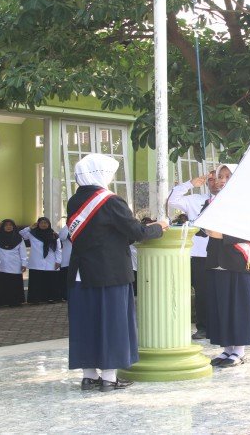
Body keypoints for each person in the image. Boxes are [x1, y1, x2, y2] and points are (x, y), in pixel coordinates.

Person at [66, 153, 167, 392]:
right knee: (112, 323)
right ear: (100, 174)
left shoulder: (73, 201)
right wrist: (159, 228)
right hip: (109, 273)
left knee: (86, 323)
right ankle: (110, 378)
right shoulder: (111, 201)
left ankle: (89, 376)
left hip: (81, 273)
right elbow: (136, 232)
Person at [205, 164, 250, 368]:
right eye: (220, 176)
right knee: (222, 306)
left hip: (237, 260)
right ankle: (227, 349)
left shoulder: (246, 201)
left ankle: (239, 351)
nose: (222, 179)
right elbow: (205, 227)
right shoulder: (213, 200)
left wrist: (223, 235)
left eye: (228, 176)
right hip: (216, 260)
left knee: (239, 307)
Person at [168, 170, 219, 340]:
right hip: (200, 254)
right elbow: (171, 200)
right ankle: (203, 327)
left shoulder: (231, 200)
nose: (214, 182)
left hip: (224, 253)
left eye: (218, 178)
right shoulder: (196, 200)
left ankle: (223, 325)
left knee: (223, 291)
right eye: (210, 180)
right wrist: (190, 184)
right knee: (202, 293)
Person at [20, 217, 62, 304]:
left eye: (45, 223)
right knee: (36, 281)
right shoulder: (32, 234)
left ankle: (51, 298)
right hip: (36, 262)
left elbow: (58, 249)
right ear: (38, 224)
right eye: (41, 223)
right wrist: (30, 227)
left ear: (49, 224)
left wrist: (58, 261)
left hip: (51, 261)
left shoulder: (54, 235)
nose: (43, 225)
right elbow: (21, 234)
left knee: (50, 281)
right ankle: (36, 299)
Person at [0, 219, 27, 307]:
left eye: (10, 225)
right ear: (2, 227)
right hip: (1, 264)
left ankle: (15, 301)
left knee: (14, 284)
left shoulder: (18, 238)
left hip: (15, 264)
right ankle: (2, 301)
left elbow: (23, 252)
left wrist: (24, 263)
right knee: (2, 283)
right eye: (6, 225)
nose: (8, 227)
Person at [58, 222, 73, 301]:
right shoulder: (65, 228)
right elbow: (62, 237)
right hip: (66, 258)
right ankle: (65, 295)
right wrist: (68, 226)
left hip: (79, 258)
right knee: (65, 278)